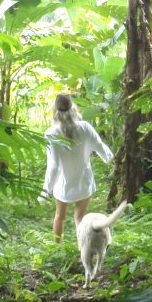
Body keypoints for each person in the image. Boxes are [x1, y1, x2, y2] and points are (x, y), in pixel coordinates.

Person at [41, 93, 113, 240]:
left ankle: (56, 246)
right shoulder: (85, 127)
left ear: (55, 111)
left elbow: (53, 166)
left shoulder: (51, 133)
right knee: (80, 217)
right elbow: (99, 145)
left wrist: (46, 190)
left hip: (63, 184)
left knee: (59, 216)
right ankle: (82, 248)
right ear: (73, 108)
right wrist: (108, 157)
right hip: (83, 181)